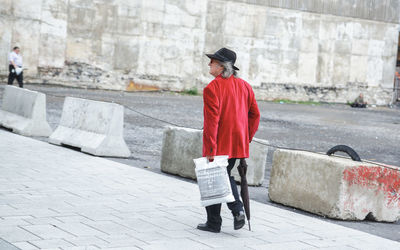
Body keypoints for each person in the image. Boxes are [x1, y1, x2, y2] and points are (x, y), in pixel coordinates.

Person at [197, 47, 260, 233]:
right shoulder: (245, 86)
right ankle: (214, 222)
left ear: (222, 67)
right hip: (238, 142)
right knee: (218, 177)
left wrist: (210, 151)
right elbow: (255, 115)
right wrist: (246, 136)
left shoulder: (212, 88)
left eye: (213, 61)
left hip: (218, 142)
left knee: (219, 176)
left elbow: (212, 123)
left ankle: (236, 210)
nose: (209, 64)